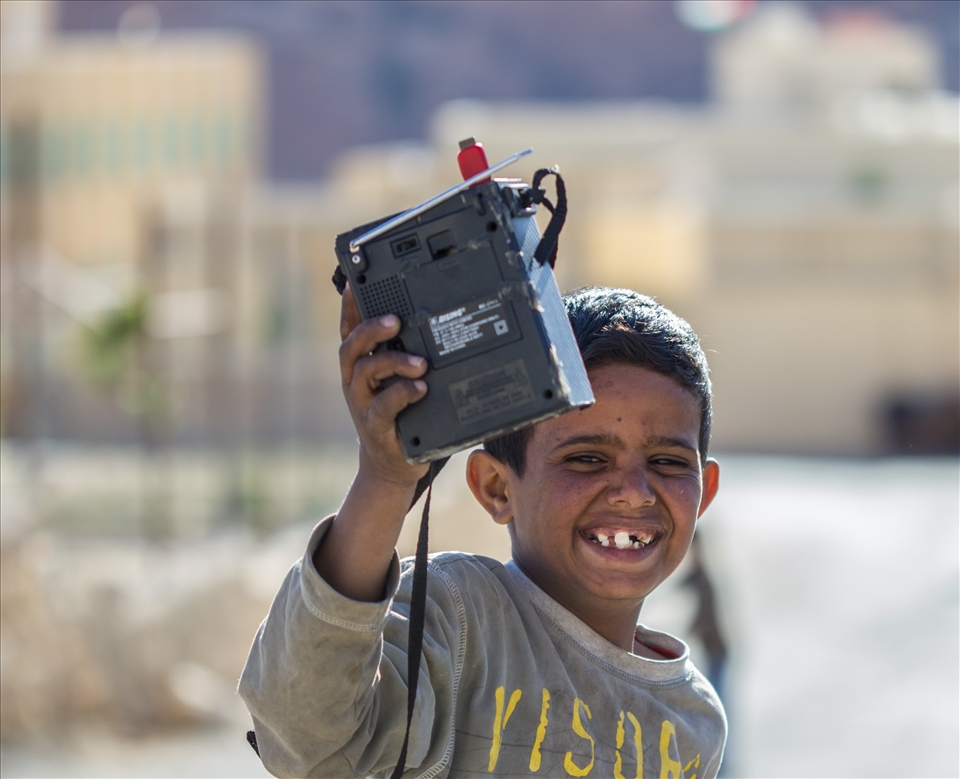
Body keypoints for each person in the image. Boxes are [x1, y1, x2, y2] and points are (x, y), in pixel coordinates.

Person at [239, 285, 726, 778]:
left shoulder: (694, 722)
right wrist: (385, 476)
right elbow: (310, 742)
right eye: (586, 459)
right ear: (496, 487)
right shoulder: (459, 619)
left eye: (667, 462)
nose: (633, 492)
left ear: (703, 493)